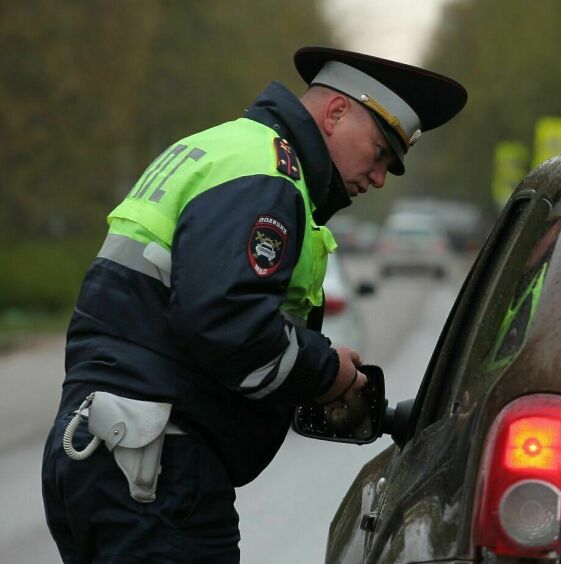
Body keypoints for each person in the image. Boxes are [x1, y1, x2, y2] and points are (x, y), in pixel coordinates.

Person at [41, 46, 467, 562]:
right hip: (156, 472)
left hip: (100, 451)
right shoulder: (267, 174)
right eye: (379, 153)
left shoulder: (217, 148)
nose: (377, 178)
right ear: (335, 114)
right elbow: (228, 322)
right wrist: (328, 372)